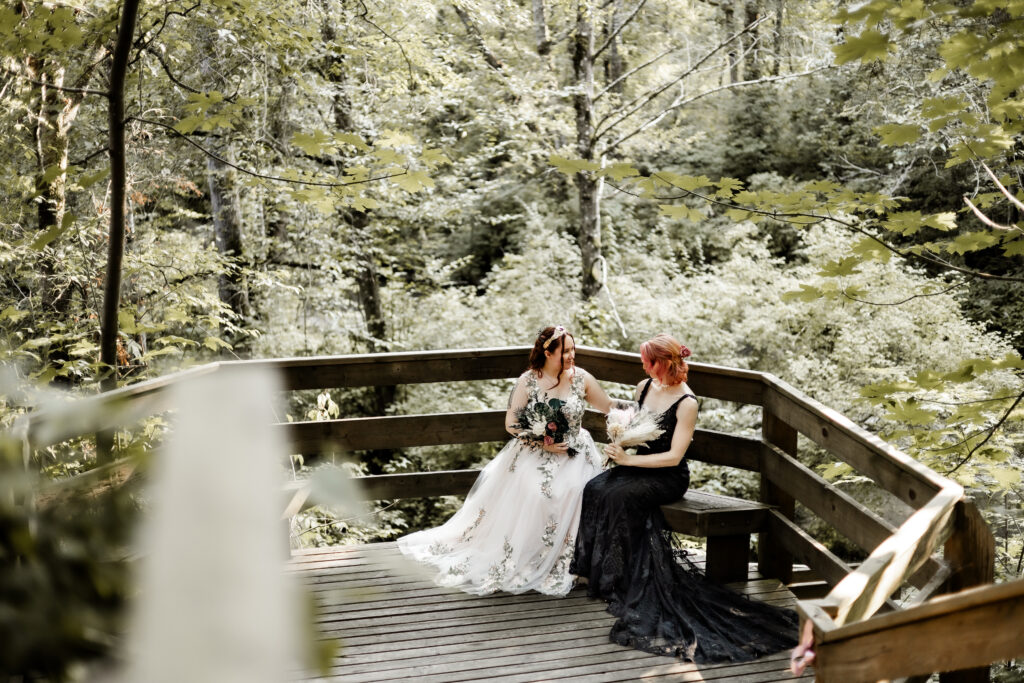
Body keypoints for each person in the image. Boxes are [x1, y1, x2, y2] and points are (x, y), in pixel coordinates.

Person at [570, 334, 800, 662]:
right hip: (636, 466)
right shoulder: (644, 387)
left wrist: (628, 461)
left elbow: (673, 457)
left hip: (665, 476)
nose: (643, 366)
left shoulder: (687, 402)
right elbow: (640, 431)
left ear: (664, 362)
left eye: (648, 361)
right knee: (595, 489)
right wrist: (620, 444)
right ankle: (596, 571)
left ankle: (617, 576)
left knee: (619, 497)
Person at [398, 325, 616, 596]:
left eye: (573, 350)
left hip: (576, 453)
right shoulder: (528, 380)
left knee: (579, 490)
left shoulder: (581, 378)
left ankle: (575, 561)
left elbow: (609, 407)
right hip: (534, 452)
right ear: (548, 352)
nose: (572, 356)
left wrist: (631, 420)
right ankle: (532, 555)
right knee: (537, 493)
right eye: (565, 351)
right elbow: (511, 423)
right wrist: (541, 440)